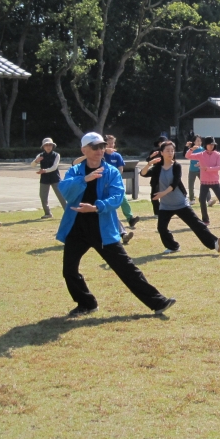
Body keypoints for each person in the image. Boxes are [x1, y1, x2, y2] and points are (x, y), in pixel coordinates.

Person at [56, 132, 175, 317]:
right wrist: (84, 179)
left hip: (102, 228)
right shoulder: (75, 171)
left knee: (126, 268)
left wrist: (96, 207)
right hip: (77, 228)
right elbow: (66, 192)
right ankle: (86, 303)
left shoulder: (111, 172)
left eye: (102, 146)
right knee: (69, 270)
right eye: (95, 147)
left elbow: (117, 197)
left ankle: (158, 302)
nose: (100, 150)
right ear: (84, 150)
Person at [141, 141, 220, 254]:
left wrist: (162, 193)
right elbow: (143, 173)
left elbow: (174, 184)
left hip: (180, 203)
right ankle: (173, 247)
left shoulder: (176, 166)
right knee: (161, 228)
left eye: (172, 150)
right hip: (166, 205)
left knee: (196, 224)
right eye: (167, 150)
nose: (170, 153)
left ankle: (215, 243)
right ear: (161, 152)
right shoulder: (158, 168)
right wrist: (149, 164)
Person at [74, 134, 136, 244]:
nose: (110, 146)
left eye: (112, 143)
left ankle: (124, 232)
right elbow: (75, 163)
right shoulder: (95, 156)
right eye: (107, 144)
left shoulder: (115, 156)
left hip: (107, 190)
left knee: (110, 210)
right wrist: (96, 152)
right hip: (91, 193)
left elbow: (120, 169)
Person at [184, 136, 220, 227]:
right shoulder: (201, 154)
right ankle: (205, 220)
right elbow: (187, 156)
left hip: (215, 181)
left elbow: (219, 167)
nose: (211, 146)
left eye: (213, 144)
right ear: (206, 145)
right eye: (209, 144)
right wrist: (191, 149)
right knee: (202, 200)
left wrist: (207, 169)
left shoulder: (217, 154)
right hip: (204, 182)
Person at [31, 137, 67, 219]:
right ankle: (47, 213)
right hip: (44, 179)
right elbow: (32, 165)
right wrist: (36, 161)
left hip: (55, 178)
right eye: (46, 145)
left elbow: (54, 167)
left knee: (61, 196)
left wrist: (45, 170)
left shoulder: (56, 155)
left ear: (52, 146)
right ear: (43, 147)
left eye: (50, 145)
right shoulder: (40, 155)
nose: (48, 147)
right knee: (43, 196)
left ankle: (67, 212)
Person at [184, 135, 210, 205]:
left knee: (205, 183)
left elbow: (206, 158)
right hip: (192, 169)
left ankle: (209, 199)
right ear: (194, 142)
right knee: (191, 185)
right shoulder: (191, 149)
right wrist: (187, 147)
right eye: (197, 141)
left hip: (201, 170)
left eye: (200, 141)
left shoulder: (203, 149)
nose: (199, 142)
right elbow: (185, 155)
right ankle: (192, 199)